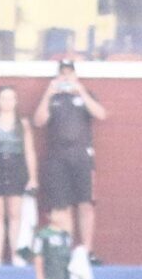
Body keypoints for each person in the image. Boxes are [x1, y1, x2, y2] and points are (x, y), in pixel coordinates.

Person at [35, 57, 105, 254]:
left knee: (85, 204)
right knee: (61, 205)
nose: (66, 76)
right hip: (57, 156)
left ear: (75, 74)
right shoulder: (53, 97)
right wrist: (48, 93)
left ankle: (85, 250)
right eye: (62, 72)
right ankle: (66, 250)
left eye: (69, 72)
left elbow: (100, 114)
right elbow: (39, 121)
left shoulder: (86, 94)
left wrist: (81, 91)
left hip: (82, 156)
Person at [0, 85, 33, 266]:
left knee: (15, 213)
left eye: (11, 98)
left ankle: (15, 254)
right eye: (3, 98)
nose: (7, 102)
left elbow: (29, 151)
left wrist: (33, 177)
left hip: (16, 167)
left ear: (16, 102)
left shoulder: (22, 123)